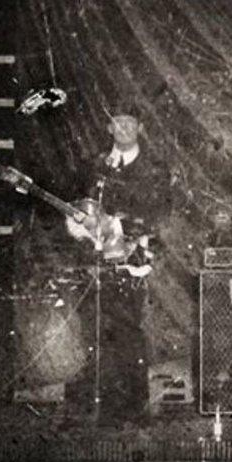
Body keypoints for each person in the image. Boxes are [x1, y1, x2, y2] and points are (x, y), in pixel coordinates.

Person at [65, 112, 169, 426]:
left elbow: (161, 211)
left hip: (133, 262)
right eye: (117, 122)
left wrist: (121, 227)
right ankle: (105, 412)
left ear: (141, 127)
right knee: (96, 332)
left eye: (130, 122)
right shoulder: (94, 166)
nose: (123, 128)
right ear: (108, 127)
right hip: (96, 263)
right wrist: (80, 228)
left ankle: (135, 410)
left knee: (129, 334)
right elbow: (78, 210)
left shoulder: (155, 169)